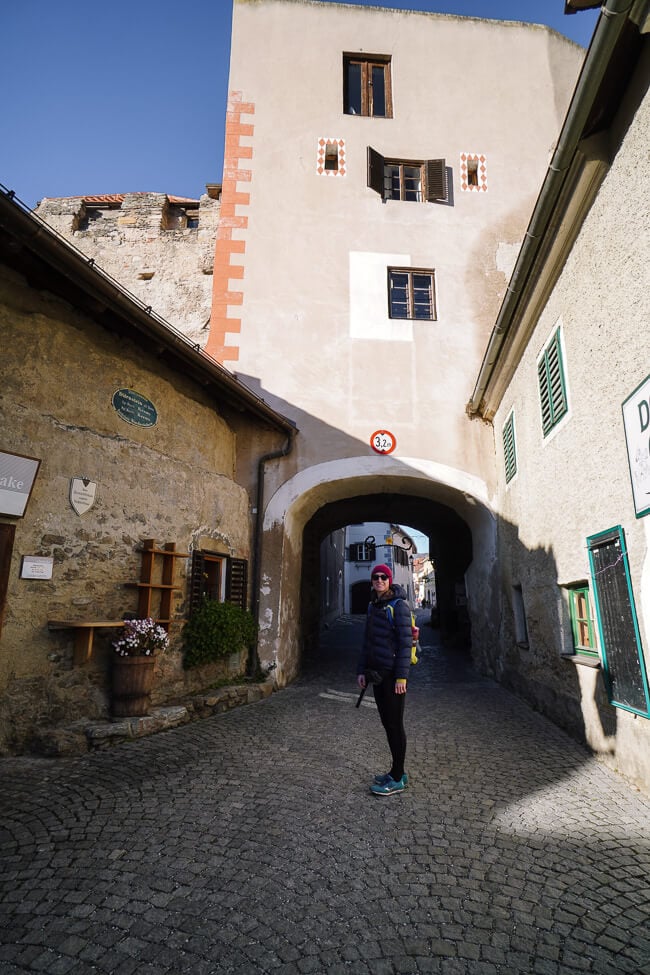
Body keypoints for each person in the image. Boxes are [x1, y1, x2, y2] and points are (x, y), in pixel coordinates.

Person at [357, 563, 412, 796]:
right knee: (388, 724)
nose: (379, 580)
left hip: (392, 676)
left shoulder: (398, 606)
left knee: (394, 725)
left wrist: (402, 676)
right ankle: (396, 771)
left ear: (390, 580)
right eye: (375, 577)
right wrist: (362, 670)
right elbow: (367, 643)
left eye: (384, 577)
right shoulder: (373, 606)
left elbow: (405, 643)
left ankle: (397, 778)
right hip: (377, 674)